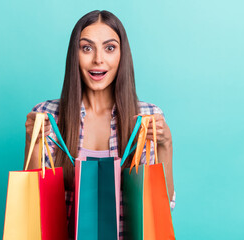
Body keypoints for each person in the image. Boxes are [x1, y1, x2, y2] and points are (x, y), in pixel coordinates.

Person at [24, 10, 175, 239]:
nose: (98, 59)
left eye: (109, 48)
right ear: (74, 55)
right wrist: (32, 141)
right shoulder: (47, 116)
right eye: (87, 48)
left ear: (122, 55)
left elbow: (162, 206)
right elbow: (33, 208)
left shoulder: (146, 117)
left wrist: (166, 145)